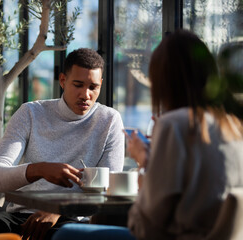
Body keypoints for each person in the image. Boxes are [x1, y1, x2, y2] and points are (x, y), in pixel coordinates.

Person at [52, 30, 243, 240]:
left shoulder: (174, 125)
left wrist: (144, 162)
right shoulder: (232, 126)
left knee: (67, 234)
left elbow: (148, 227)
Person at [0, 48, 125, 240]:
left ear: (101, 85)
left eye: (93, 87)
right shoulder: (30, 113)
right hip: (21, 215)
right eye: (78, 85)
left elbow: (108, 189)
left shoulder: (109, 120)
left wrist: (58, 211)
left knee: (63, 236)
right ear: (62, 81)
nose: (86, 94)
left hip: (73, 219)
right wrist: (39, 170)